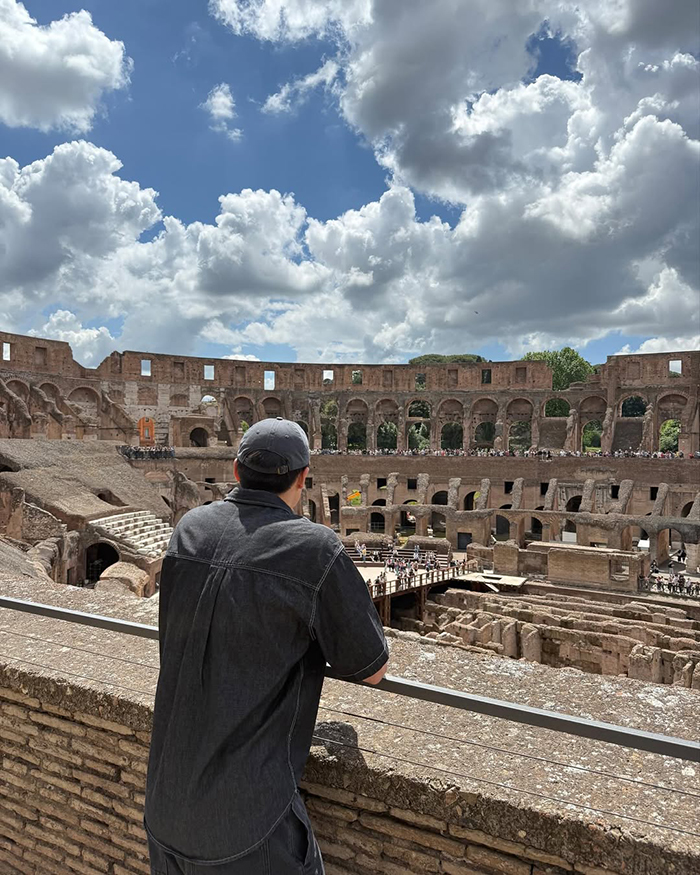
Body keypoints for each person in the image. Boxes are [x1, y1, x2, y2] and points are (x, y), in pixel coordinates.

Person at [145, 417, 388, 874]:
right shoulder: (314, 549)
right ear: (302, 477)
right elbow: (370, 667)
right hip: (246, 824)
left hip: (164, 802)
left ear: (236, 471)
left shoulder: (188, 529)